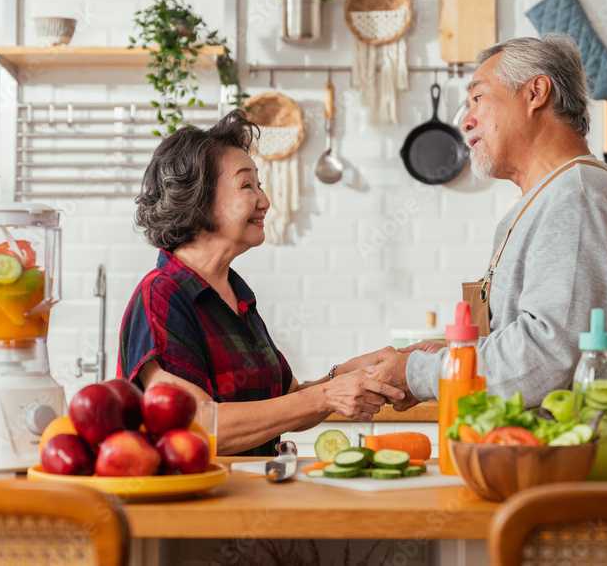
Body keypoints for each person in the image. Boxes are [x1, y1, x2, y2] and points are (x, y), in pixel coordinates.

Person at [374, 33, 607, 419]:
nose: (467, 121)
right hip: (529, 458)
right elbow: (532, 343)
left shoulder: (576, 198)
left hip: (561, 466)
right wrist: (456, 356)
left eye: (478, 98)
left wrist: (421, 373)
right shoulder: (550, 198)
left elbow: (548, 356)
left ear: (536, 92)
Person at [118, 111, 404, 456]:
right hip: (201, 503)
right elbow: (196, 427)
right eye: (247, 186)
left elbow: (283, 405)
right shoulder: (163, 295)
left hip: (247, 495)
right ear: (197, 199)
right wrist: (326, 394)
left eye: (260, 186)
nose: (265, 201)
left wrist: (344, 374)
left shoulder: (235, 295)